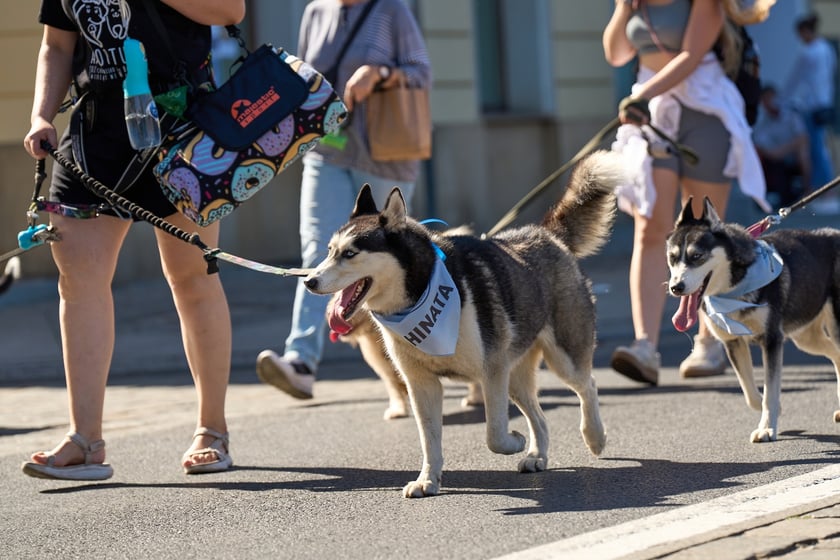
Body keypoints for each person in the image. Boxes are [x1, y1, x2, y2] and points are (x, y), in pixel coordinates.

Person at [21, 0, 245, 480]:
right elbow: (56, 44)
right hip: (95, 132)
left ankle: (212, 429)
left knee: (191, 278)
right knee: (77, 282)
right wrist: (41, 116)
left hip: (179, 125)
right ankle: (85, 440)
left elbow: (231, 11)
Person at [256, 0, 431, 399]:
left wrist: (380, 73)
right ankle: (300, 361)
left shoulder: (391, 10)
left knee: (398, 256)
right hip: (327, 151)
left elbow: (421, 73)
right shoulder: (316, 12)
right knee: (318, 251)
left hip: (385, 154)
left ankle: (426, 355)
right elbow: (306, 80)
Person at [602, 0, 771, 385]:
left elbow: (691, 56)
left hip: (703, 108)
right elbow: (616, 54)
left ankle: (709, 342)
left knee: (706, 234)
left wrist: (643, 95)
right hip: (652, 114)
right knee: (650, 228)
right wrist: (622, 8)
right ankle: (645, 346)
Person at [783, 12, 837, 196]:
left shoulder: (807, 53)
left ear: (805, 31)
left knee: (816, 149)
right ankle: (825, 188)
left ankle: (822, 189)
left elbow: (794, 81)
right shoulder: (827, 48)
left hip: (811, 106)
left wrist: (783, 101)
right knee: (822, 147)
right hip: (825, 104)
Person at [752, 85, 810, 208]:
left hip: (791, 155)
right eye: (765, 100)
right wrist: (776, 153)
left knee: (803, 152)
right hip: (774, 161)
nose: (769, 103)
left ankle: (808, 191)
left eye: (771, 98)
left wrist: (782, 150)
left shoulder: (792, 116)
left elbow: (802, 139)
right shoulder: (762, 124)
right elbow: (764, 148)